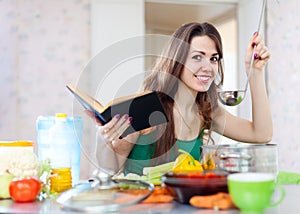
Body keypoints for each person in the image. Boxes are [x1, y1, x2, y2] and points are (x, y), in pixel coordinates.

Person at [87, 22, 272, 175]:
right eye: (197, 57)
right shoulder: (146, 108)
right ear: (178, 60)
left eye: (213, 59)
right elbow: (110, 169)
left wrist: (255, 72)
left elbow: (261, 134)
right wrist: (103, 140)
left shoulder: (207, 112)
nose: (207, 67)